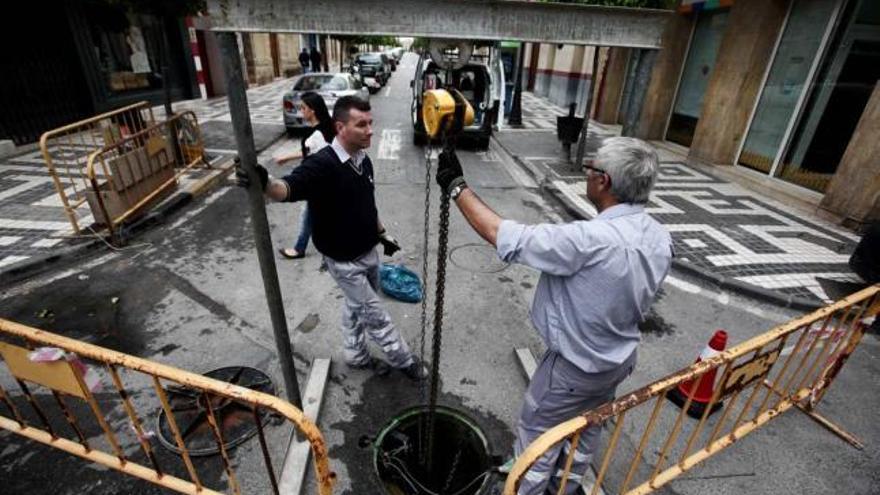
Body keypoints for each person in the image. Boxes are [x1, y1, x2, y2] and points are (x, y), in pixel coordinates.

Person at [435, 137, 673, 494]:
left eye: (590, 168)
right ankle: (564, 487)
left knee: (536, 440)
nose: (586, 174)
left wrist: (456, 186)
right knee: (586, 428)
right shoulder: (658, 235)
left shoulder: (589, 239)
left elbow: (500, 234)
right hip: (617, 360)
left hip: (574, 367)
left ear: (604, 181)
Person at [237, 96, 427, 381]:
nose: (370, 130)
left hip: (368, 252)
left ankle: (356, 356)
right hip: (344, 262)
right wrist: (263, 182)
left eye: (370, 123)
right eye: (361, 124)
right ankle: (404, 360)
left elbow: (368, 204)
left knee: (356, 307)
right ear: (340, 127)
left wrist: (383, 234)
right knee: (374, 313)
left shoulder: (363, 161)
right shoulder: (322, 165)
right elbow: (285, 190)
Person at [275, 92, 335, 260]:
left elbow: (321, 157)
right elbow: (308, 151)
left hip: (320, 182)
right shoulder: (323, 128)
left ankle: (305, 249)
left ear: (313, 111)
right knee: (313, 214)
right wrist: (286, 157)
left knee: (313, 215)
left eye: (303, 108)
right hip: (324, 182)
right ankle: (304, 248)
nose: (300, 110)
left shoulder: (318, 134)